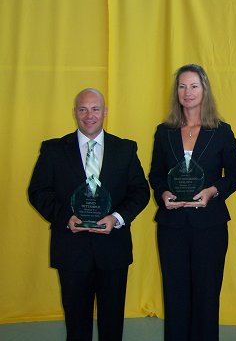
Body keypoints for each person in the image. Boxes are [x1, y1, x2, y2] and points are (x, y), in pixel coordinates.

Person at [28, 88, 150, 341]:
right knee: (76, 325)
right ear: (74, 113)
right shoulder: (53, 150)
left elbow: (140, 192)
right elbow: (38, 191)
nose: (89, 115)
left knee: (112, 324)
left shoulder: (125, 149)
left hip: (113, 250)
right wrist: (65, 217)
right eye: (83, 109)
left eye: (95, 109)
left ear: (105, 112)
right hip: (72, 250)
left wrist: (116, 218)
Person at [149, 64, 236, 341]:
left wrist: (213, 190)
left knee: (206, 295)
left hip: (209, 226)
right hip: (172, 226)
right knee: (175, 295)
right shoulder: (164, 131)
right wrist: (163, 194)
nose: (187, 92)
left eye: (193, 86)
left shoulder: (222, 131)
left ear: (204, 90)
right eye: (182, 86)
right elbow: (156, 175)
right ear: (176, 92)